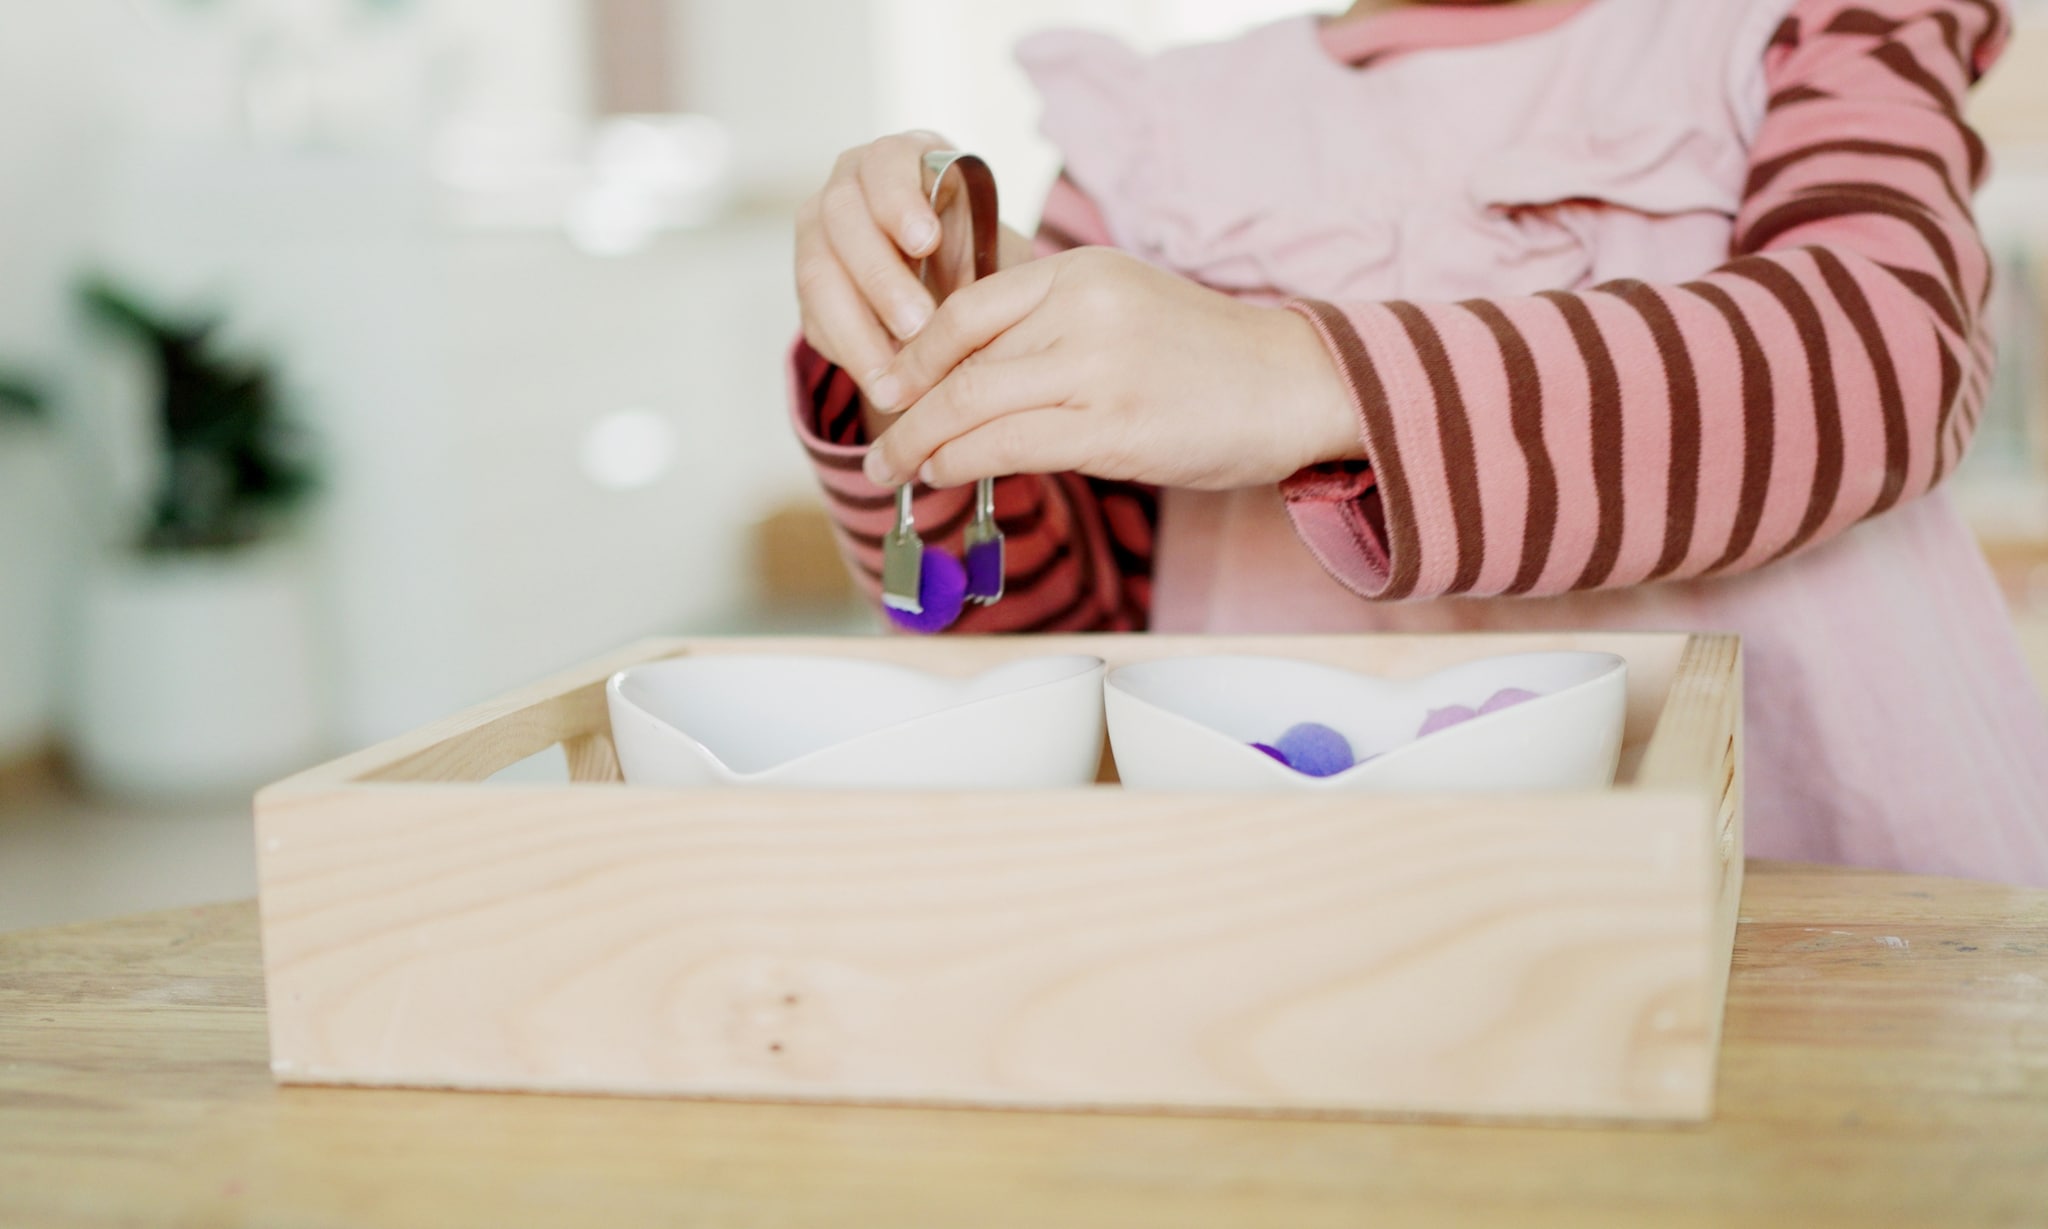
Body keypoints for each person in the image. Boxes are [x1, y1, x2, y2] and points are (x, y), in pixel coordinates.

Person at [787, 0, 2048, 885]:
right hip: (1319, 929)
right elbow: (1057, 633)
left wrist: (1297, 371)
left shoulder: (1807, 21)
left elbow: (1881, 350)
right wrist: (923, 371)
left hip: (1821, 908)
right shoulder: (1151, 135)